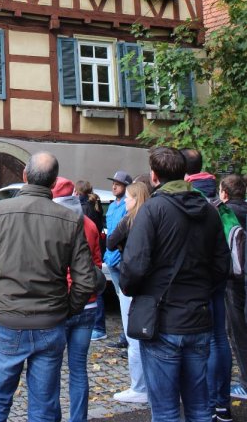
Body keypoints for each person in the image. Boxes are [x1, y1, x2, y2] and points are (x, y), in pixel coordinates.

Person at [0, 152, 97, 422]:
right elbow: (86, 280)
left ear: (24, 175)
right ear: (53, 182)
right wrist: (66, 310)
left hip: (8, 321)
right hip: (49, 322)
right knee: (43, 408)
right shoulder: (70, 219)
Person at [121, 147, 230, 422]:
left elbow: (134, 265)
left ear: (154, 176)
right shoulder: (209, 211)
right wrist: (202, 291)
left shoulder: (152, 210)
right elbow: (222, 265)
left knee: (166, 411)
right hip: (198, 317)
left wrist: (134, 291)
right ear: (184, 174)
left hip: (163, 319)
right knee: (200, 408)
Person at [181, 148, 232, 421]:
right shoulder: (217, 194)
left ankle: (209, 403)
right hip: (221, 274)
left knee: (206, 341)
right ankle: (223, 403)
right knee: (221, 339)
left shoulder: (192, 197)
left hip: (200, 279)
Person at [52, 176, 101, 422]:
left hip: (60, 303)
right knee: (78, 369)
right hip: (87, 303)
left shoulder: (52, 223)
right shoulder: (89, 224)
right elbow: (97, 265)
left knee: (50, 369)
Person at [106, 182, 150, 404]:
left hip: (132, 280)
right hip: (153, 283)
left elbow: (110, 242)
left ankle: (139, 386)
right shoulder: (154, 217)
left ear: (135, 198)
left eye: (129, 198)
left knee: (134, 335)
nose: (125, 201)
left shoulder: (130, 219)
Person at [219, 174, 247, 401]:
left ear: (225, 193)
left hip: (234, 279)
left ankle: (245, 382)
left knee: (237, 331)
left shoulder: (227, 214)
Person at [103, 169, 133, 348]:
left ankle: (128, 337)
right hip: (111, 258)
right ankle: (125, 335)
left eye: (118, 184)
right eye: (113, 183)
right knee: (120, 298)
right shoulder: (113, 206)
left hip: (122, 259)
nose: (114, 187)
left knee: (128, 299)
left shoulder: (128, 207)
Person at [75, 180, 107, 341]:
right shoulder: (95, 203)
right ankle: (98, 326)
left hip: (89, 250)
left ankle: (98, 327)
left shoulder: (84, 208)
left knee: (94, 291)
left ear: (78, 191)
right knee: (95, 288)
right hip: (96, 249)